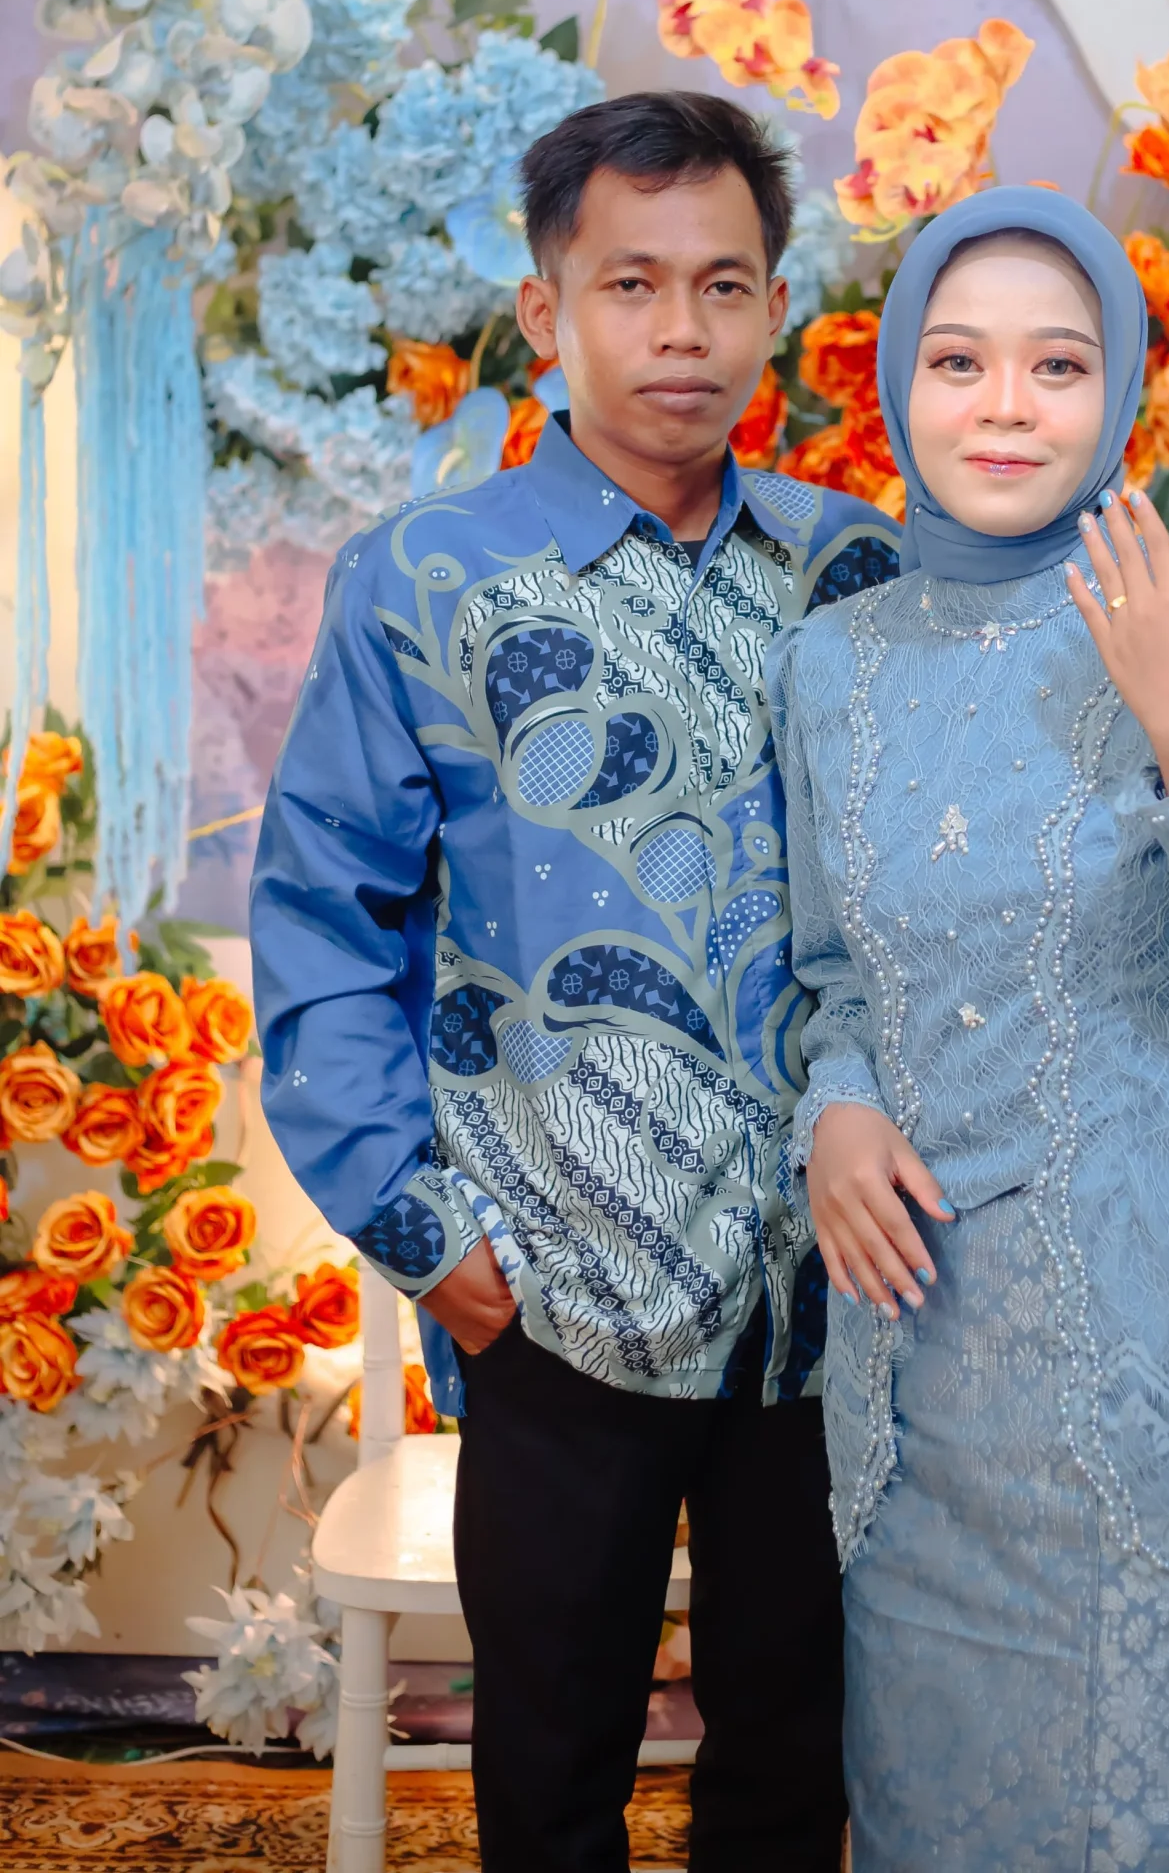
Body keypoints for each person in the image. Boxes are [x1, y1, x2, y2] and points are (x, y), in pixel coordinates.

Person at [251, 91, 900, 1873]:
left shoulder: (855, 576)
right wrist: (429, 1239)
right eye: (631, 283)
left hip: (831, 1293)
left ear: (777, 308)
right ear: (547, 312)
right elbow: (324, 918)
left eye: (722, 284)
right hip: (547, 1289)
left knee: (797, 1769)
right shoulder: (425, 580)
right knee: (548, 1780)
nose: (680, 328)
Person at [766, 187, 1169, 1872]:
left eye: (1056, 364)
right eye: (958, 362)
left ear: (1120, 392)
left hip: (1165, 1377)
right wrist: (835, 1106)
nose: (1005, 408)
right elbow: (833, 979)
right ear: (895, 380)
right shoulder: (832, 664)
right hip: (922, 1388)